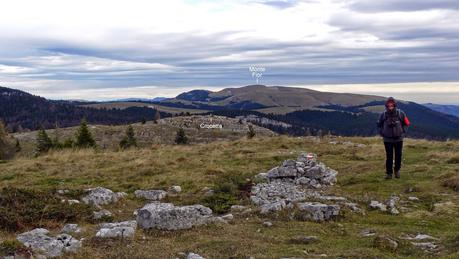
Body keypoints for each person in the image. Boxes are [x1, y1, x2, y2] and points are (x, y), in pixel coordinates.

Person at [377, 97, 410, 179]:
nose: (390, 107)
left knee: (398, 155)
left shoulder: (400, 113)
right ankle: (389, 173)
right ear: (386, 106)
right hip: (387, 140)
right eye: (389, 105)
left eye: (392, 105)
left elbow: (407, 123)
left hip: (399, 139)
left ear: (394, 105)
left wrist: (403, 133)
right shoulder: (383, 115)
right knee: (389, 156)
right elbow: (379, 125)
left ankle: (397, 171)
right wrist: (382, 133)